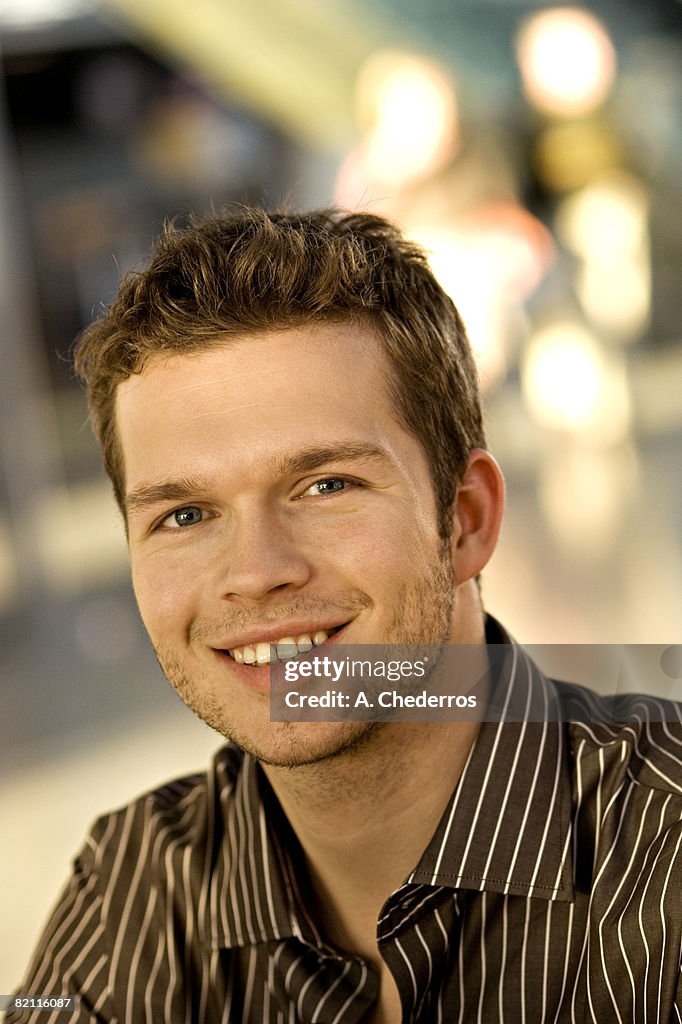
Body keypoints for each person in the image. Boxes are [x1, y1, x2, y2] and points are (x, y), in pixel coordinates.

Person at [7, 209, 682, 1024]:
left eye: (325, 486)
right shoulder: (135, 887)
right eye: (184, 515)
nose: (254, 575)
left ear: (464, 519)